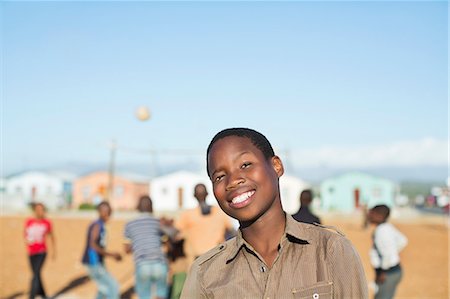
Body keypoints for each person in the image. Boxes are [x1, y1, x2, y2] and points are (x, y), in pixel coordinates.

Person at [181, 127, 368, 298]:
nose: (233, 180)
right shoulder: (205, 274)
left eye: (245, 165)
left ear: (276, 166)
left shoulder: (330, 250)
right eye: (220, 176)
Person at [175, 183, 234, 266]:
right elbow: (232, 232)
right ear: (207, 194)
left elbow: (175, 235)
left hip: (196, 260)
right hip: (217, 256)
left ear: (194, 196)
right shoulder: (219, 212)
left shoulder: (187, 215)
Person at [123, 195, 169, 299]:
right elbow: (165, 242)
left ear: (138, 207)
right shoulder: (158, 222)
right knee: (161, 295)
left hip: (142, 264)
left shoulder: (129, 224)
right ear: (152, 207)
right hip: (159, 264)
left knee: (145, 296)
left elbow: (126, 249)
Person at [82, 201, 122, 299]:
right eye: (105, 211)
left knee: (103, 289)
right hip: (93, 262)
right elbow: (93, 245)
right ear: (99, 212)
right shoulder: (97, 225)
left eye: (109, 211)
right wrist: (112, 255)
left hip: (97, 262)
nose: (107, 214)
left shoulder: (101, 225)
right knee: (113, 286)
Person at [368, 204, 407, 299]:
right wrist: (393, 251)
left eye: (371, 213)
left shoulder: (381, 232)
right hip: (394, 271)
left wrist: (383, 272)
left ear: (379, 216)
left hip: (387, 273)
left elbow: (387, 254)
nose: (368, 215)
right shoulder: (387, 226)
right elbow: (403, 240)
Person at [24, 202, 56, 299]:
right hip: (31, 252)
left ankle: (31, 296)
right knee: (36, 274)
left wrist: (54, 251)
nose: (40, 212)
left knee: (36, 273)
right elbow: (26, 235)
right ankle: (43, 295)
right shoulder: (29, 222)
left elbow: (51, 236)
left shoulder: (47, 223)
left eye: (42, 209)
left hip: (42, 252)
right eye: (38, 209)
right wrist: (28, 241)